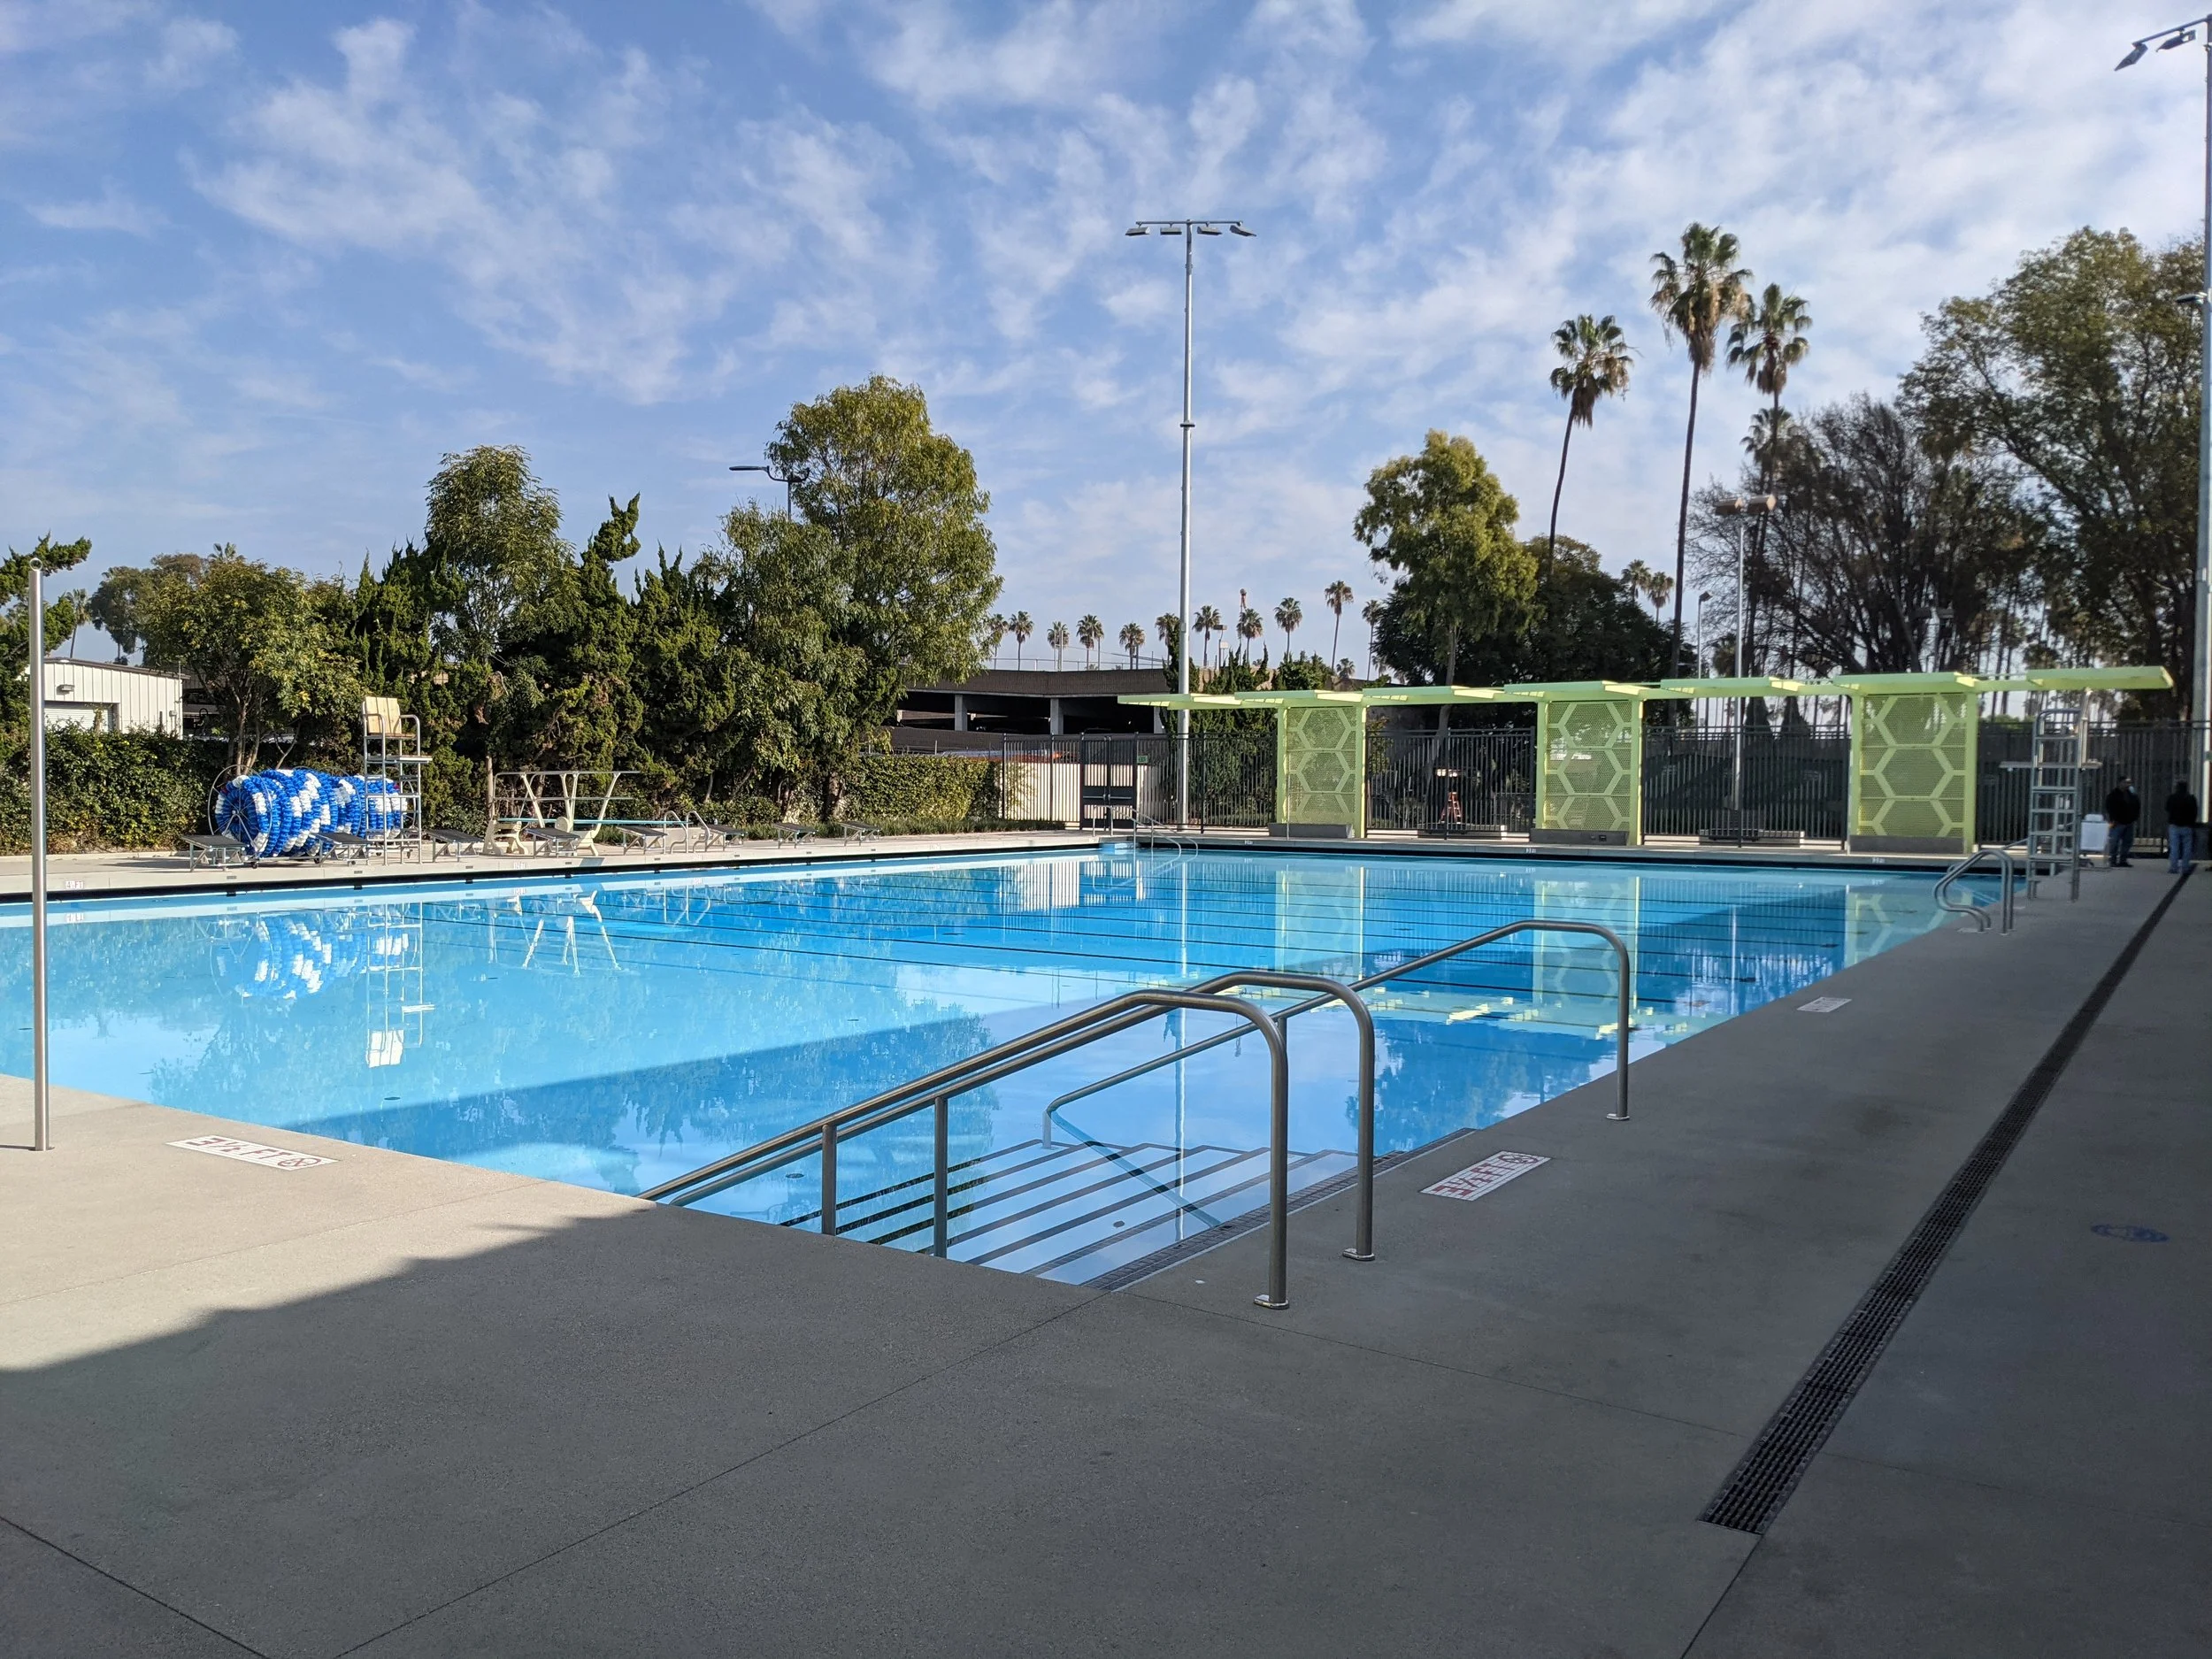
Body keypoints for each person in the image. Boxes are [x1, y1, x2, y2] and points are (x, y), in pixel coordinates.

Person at [2104, 774, 2140, 867]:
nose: (2127, 784)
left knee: (2127, 842)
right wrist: (2113, 819)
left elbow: (2136, 805)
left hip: (2128, 821)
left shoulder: (2131, 794)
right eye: (2125, 782)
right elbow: (2109, 807)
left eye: (2128, 783)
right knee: (2114, 842)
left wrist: (2134, 817)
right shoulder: (2114, 795)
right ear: (2120, 783)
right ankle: (2113, 860)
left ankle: (2123, 860)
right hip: (2117, 822)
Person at [2165, 779, 2201, 873]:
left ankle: (2174, 867)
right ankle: (2185, 867)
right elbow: (2195, 811)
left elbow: (2167, 809)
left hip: (2174, 825)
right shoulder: (2191, 798)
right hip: (2187, 825)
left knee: (2174, 847)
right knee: (2187, 847)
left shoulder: (2172, 797)